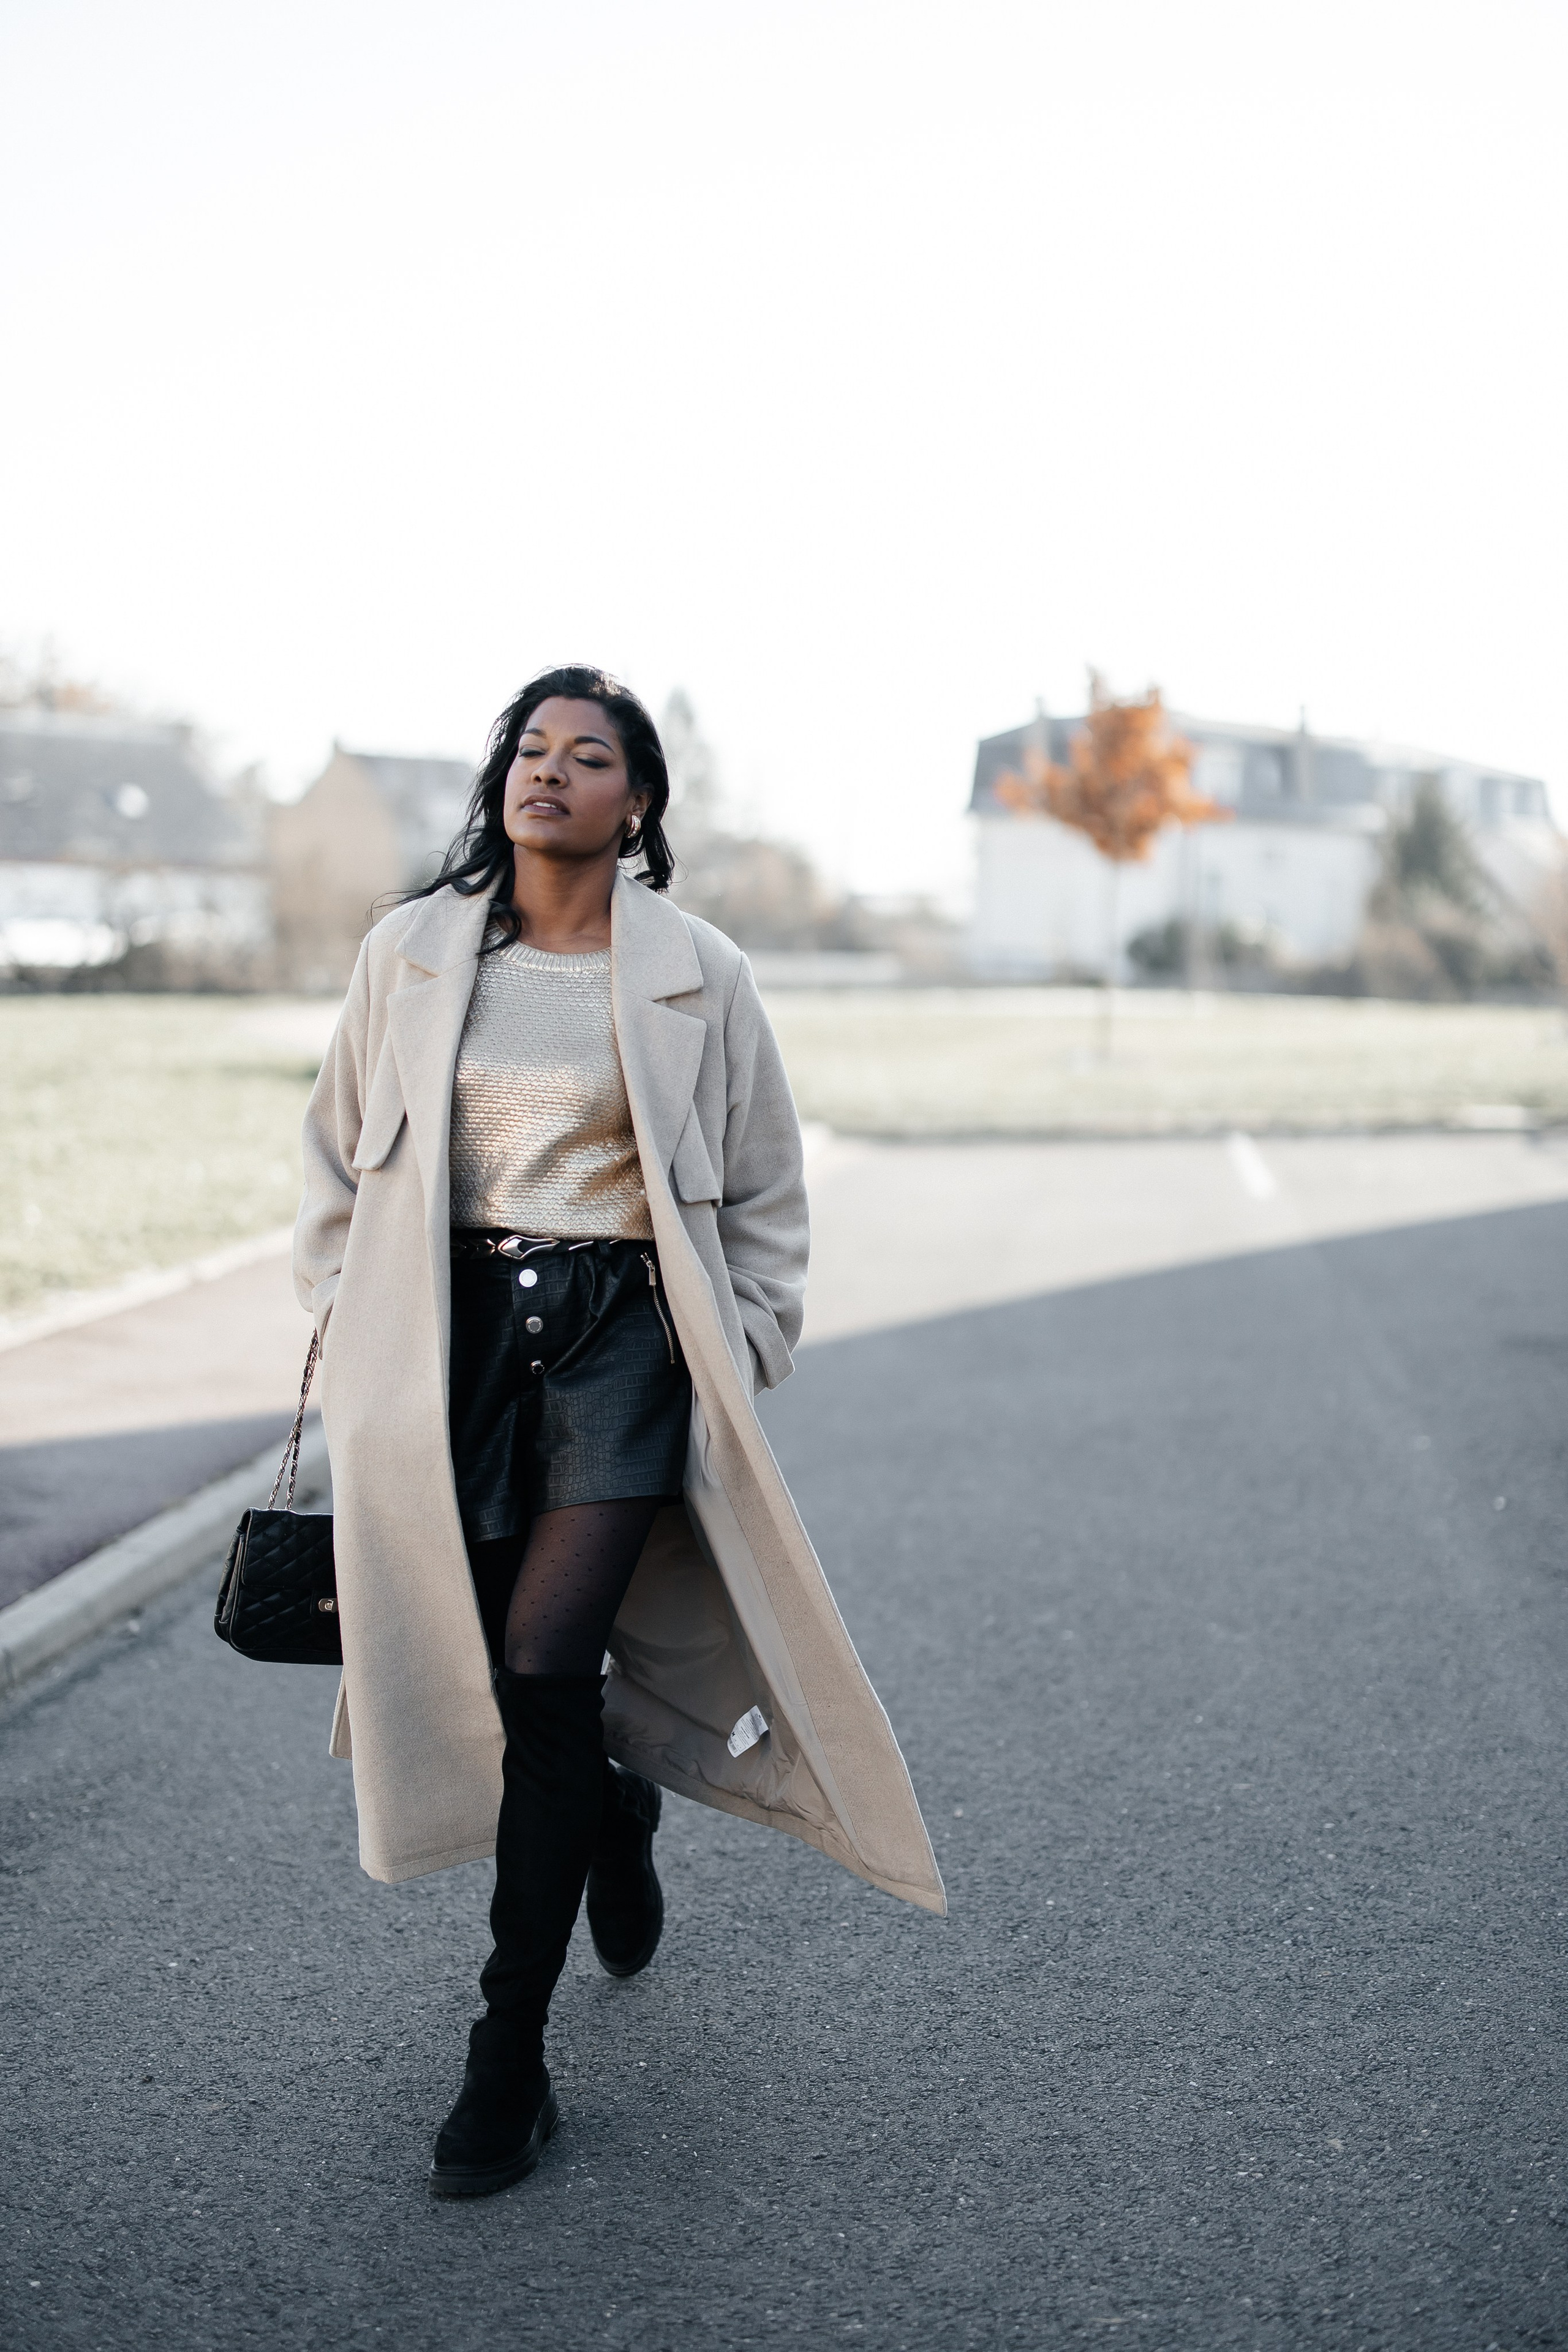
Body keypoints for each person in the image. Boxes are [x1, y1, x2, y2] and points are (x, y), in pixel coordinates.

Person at [294, 665, 943, 2200]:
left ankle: (505, 2059)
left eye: (589, 756)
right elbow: (334, 1154)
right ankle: (614, 1804)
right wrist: (353, 1321)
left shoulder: (697, 970)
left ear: (635, 802)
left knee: (538, 1665)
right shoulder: (411, 950)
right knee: (526, 1695)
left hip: (623, 1346)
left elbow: (765, 1184)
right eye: (531, 749)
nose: (550, 773)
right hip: (457, 1345)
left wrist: (755, 1333)